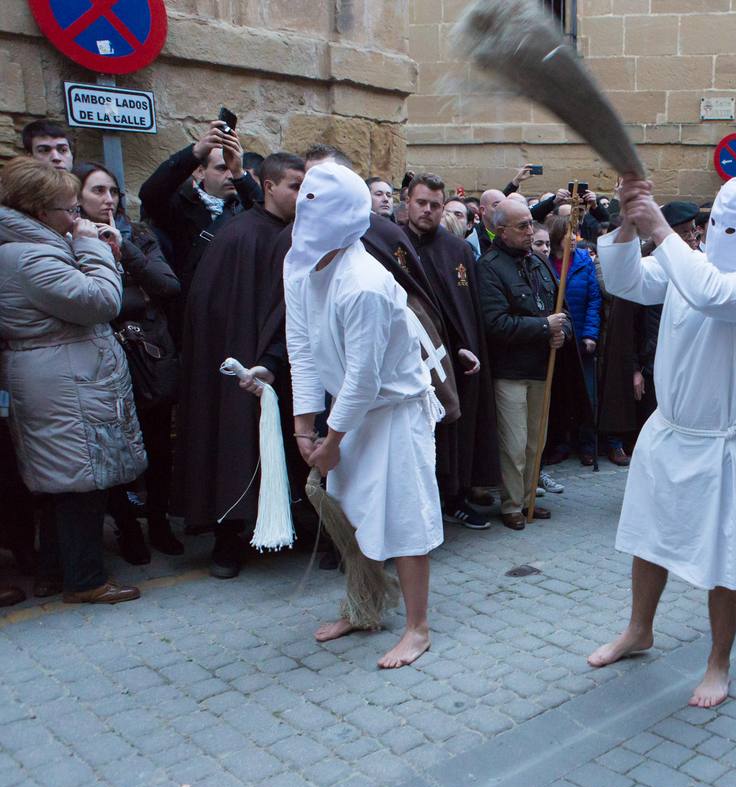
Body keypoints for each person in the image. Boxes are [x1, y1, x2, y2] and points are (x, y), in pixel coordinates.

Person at [588, 173, 736, 709]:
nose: (720, 233)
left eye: (732, 226)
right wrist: (630, 224)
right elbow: (624, 282)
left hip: (720, 443)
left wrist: (660, 229)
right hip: (667, 429)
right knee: (646, 538)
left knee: (721, 559)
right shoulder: (685, 264)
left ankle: (718, 662)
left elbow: (710, 292)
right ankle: (638, 629)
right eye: (713, 222)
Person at [285, 163, 444, 669]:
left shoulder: (364, 283)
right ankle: (364, 606)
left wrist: (332, 439)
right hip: (351, 415)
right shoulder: (299, 266)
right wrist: (303, 426)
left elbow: (364, 377)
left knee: (403, 519)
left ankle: (417, 628)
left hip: (394, 414)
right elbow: (303, 351)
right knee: (352, 517)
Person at [0, 156, 143, 604]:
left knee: (63, 481)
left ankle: (56, 571)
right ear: (40, 212)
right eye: (71, 210)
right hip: (63, 381)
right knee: (80, 481)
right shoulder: (30, 256)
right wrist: (93, 247)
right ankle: (85, 581)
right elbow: (101, 300)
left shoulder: (26, 248)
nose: (77, 218)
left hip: (63, 376)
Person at [175, 152, 306, 579]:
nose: (302, 195)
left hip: (285, 364)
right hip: (244, 366)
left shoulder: (293, 234)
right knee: (235, 447)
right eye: (294, 186)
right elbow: (214, 308)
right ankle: (228, 540)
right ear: (269, 186)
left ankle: (289, 527)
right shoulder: (238, 236)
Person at [75, 162, 184, 563]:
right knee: (113, 447)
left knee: (157, 444)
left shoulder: (137, 234)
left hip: (147, 356)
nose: (108, 200)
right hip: (101, 357)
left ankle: (157, 522)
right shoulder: (66, 239)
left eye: (113, 192)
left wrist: (124, 248)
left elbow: (167, 285)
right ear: (77, 197)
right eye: (97, 192)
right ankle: (126, 527)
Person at [401, 173, 497, 531]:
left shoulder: (457, 251)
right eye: (421, 202)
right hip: (407, 360)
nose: (427, 210)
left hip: (453, 362)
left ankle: (454, 497)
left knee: (454, 433)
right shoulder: (392, 245)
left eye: (435, 205)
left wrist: (465, 347)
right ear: (407, 201)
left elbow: (464, 309)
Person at [476, 199, 572, 529]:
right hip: (510, 371)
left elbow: (561, 309)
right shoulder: (489, 268)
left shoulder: (539, 263)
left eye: (531, 224)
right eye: (522, 226)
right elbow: (496, 323)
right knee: (514, 444)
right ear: (501, 231)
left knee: (536, 441)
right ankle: (512, 504)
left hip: (541, 367)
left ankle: (529, 498)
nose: (530, 231)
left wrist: (563, 332)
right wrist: (545, 327)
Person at [138, 120, 262, 311]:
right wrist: (195, 152)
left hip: (234, 310)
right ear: (200, 171)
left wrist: (240, 173)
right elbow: (150, 193)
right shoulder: (179, 206)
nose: (229, 174)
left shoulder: (245, 209)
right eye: (222, 168)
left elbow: (267, 216)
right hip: (187, 311)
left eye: (232, 167)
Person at [547, 214, 615, 467]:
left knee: (588, 394)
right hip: (556, 337)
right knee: (560, 394)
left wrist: (589, 333)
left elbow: (594, 300)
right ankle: (561, 443)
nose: (574, 239)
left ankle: (588, 444)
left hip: (580, 337)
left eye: (575, 233)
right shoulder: (544, 263)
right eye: (568, 234)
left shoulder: (584, 262)